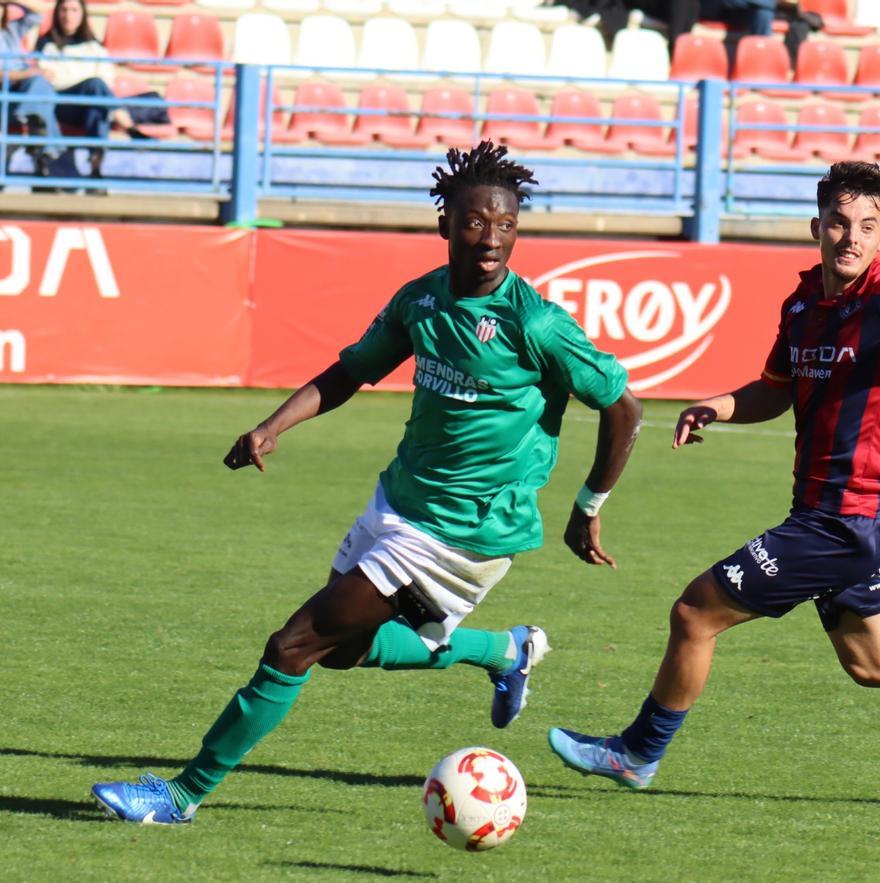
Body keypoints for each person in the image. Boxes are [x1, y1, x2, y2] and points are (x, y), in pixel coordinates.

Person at [90, 141, 644, 825]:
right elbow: (350, 372)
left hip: (462, 532)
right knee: (343, 651)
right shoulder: (422, 301)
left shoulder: (536, 324)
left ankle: (180, 795)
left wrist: (588, 505)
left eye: (506, 224)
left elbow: (624, 407)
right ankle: (505, 650)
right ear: (445, 225)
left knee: (293, 645)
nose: (491, 238)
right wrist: (272, 426)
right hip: (398, 501)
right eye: (475, 221)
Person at [548, 161, 880, 799]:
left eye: (867, 227)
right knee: (875, 662)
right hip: (838, 518)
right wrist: (718, 406)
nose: (852, 237)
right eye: (840, 223)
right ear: (817, 227)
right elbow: (775, 391)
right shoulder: (801, 306)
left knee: (694, 613)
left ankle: (637, 754)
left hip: (843, 522)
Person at [34, 0, 140, 178]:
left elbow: (107, 78)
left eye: (74, 10)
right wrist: (85, 82)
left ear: (82, 15)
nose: (68, 15)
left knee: (98, 107)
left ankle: (96, 167)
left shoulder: (94, 46)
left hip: (87, 106)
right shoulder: (46, 45)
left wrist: (83, 82)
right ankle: (126, 122)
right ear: (57, 13)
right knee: (95, 86)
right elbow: (52, 81)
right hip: (59, 105)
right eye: (64, 10)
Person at [1, 0, 62, 177]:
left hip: (23, 88)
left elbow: (39, 12)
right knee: (40, 84)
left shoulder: (10, 31)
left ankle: (36, 128)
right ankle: (46, 149)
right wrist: (32, 72)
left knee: (41, 86)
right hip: (7, 93)